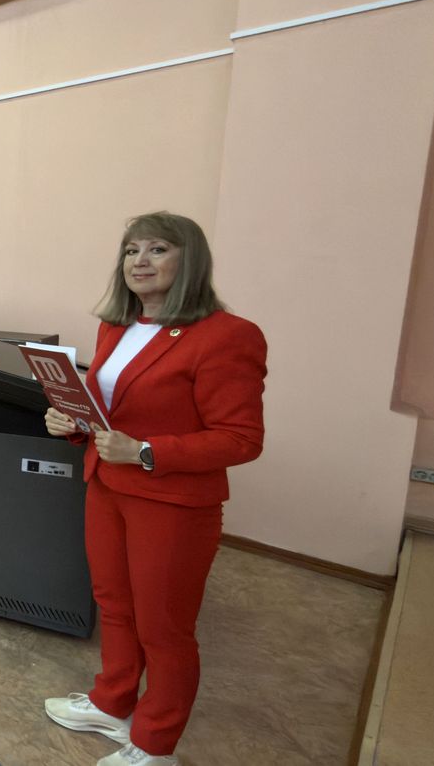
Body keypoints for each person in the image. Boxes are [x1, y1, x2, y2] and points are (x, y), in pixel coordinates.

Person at [41, 213, 266, 766]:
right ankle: (113, 702)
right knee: (114, 605)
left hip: (172, 504)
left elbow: (241, 439)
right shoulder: (115, 327)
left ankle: (155, 742)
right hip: (106, 487)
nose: (140, 261)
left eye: (158, 249)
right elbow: (110, 412)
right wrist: (72, 423)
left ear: (190, 260)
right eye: (131, 250)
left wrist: (146, 451)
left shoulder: (228, 336)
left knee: (164, 627)